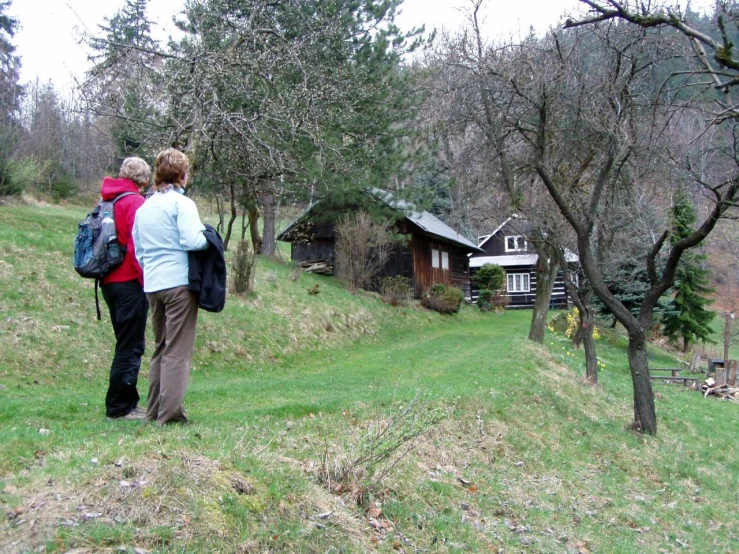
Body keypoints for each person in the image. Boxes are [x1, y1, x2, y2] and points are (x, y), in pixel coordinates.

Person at [132, 148, 208, 425]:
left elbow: (139, 249)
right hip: (178, 284)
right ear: (182, 175)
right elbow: (191, 240)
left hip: (153, 284)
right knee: (177, 350)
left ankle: (153, 411)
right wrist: (208, 237)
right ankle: (171, 414)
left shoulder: (145, 207)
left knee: (160, 347)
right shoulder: (181, 204)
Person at [100, 157, 151, 421]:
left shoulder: (107, 200)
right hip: (129, 281)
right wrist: (147, 281)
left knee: (125, 343)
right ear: (144, 179)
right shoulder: (134, 202)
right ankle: (120, 408)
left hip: (108, 281)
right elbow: (136, 247)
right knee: (130, 346)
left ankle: (125, 402)